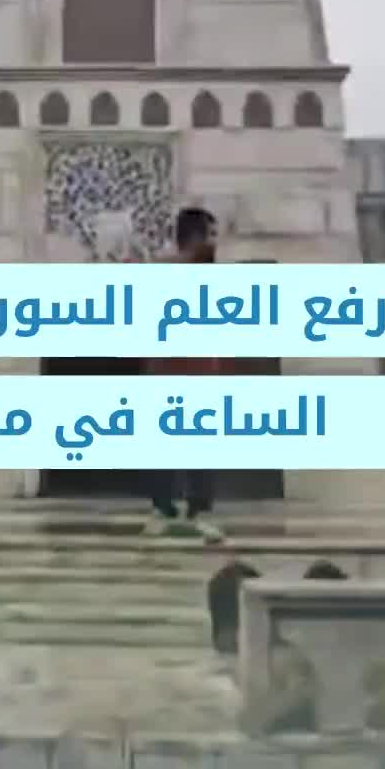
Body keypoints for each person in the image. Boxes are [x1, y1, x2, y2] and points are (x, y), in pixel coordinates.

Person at [146, 206, 225, 540]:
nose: (215, 242)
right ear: (195, 237)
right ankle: (164, 509)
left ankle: (198, 511)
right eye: (211, 234)